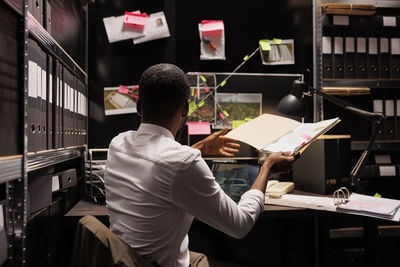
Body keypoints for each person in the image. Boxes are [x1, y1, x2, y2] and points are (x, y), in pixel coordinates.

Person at [104, 63, 295, 267]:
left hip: (126, 260)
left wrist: (199, 148)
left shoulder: (118, 144)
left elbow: (160, 163)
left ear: (139, 106)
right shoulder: (183, 162)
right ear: (186, 108)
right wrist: (268, 166)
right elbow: (240, 224)